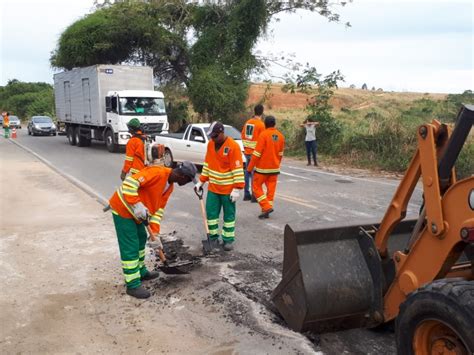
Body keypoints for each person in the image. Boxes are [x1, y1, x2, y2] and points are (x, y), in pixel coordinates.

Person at [109, 146, 198, 299]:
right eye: (189, 180)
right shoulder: (157, 173)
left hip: (138, 214)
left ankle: (141, 271)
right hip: (123, 209)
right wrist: (137, 205)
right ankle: (132, 284)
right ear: (182, 177)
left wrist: (155, 234)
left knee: (142, 239)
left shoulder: (169, 187)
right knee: (130, 244)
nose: (188, 183)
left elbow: (158, 211)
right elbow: (129, 185)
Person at [194, 121, 244, 251]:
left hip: (228, 190)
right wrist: (201, 181)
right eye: (211, 136)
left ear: (222, 133)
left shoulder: (233, 146)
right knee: (211, 214)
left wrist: (236, 189)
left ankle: (228, 240)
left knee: (229, 215)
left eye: (215, 136)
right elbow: (207, 164)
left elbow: (238, 169)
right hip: (213, 188)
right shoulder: (210, 144)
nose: (213, 138)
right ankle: (213, 237)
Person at [247, 116, 285, 219]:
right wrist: (277, 164)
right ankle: (266, 209)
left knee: (256, 187)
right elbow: (280, 154)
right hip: (274, 169)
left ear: (265, 124)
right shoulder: (281, 136)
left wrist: (249, 168)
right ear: (274, 124)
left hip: (262, 169)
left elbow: (257, 154)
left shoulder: (263, 135)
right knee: (271, 191)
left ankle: (266, 207)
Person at [241, 104, 265, 201]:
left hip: (247, 151)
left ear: (254, 111)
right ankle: (254, 195)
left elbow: (242, 135)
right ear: (262, 112)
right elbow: (263, 140)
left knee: (247, 172)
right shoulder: (261, 125)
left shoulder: (248, 122)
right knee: (255, 174)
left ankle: (246, 193)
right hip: (255, 153)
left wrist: (246, 147)